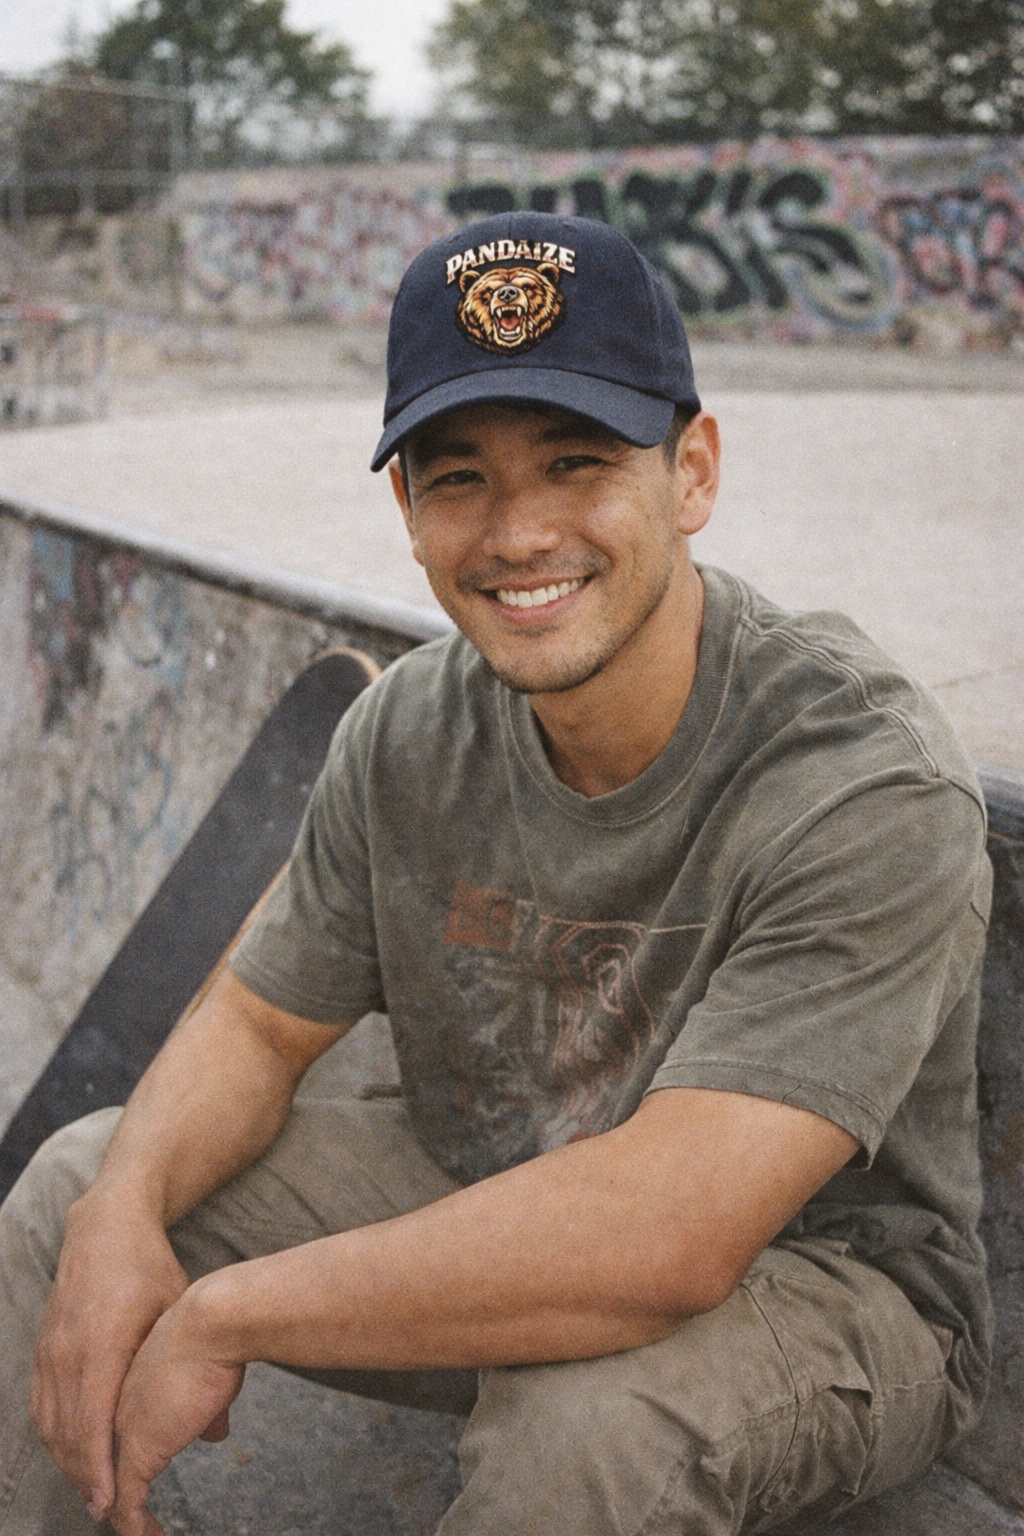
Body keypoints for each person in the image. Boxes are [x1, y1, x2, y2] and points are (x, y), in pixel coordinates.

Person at [0, 214, 992, 1536]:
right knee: (77, 1189)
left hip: (825, 1282)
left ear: (690, 473)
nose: (518, 532)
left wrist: (225, 1307)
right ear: (406, 509)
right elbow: (253, 1018)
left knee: (584, 1423)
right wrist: (127, 1218)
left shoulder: (857, 775)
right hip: (493, 1175)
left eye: (576, 462)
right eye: (457, 476)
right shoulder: (411, 727)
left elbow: (671, 1238)